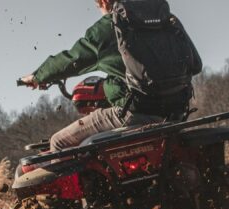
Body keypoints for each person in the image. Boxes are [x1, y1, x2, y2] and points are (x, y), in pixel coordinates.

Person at [20, 0, 202, 152]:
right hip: (176, 109)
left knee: (58, 142)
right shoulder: (167, 18)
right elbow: (196, 65)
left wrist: (38, 76)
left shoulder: (110, 25)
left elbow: (72, 59)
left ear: (104, 1)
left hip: (134, 112)